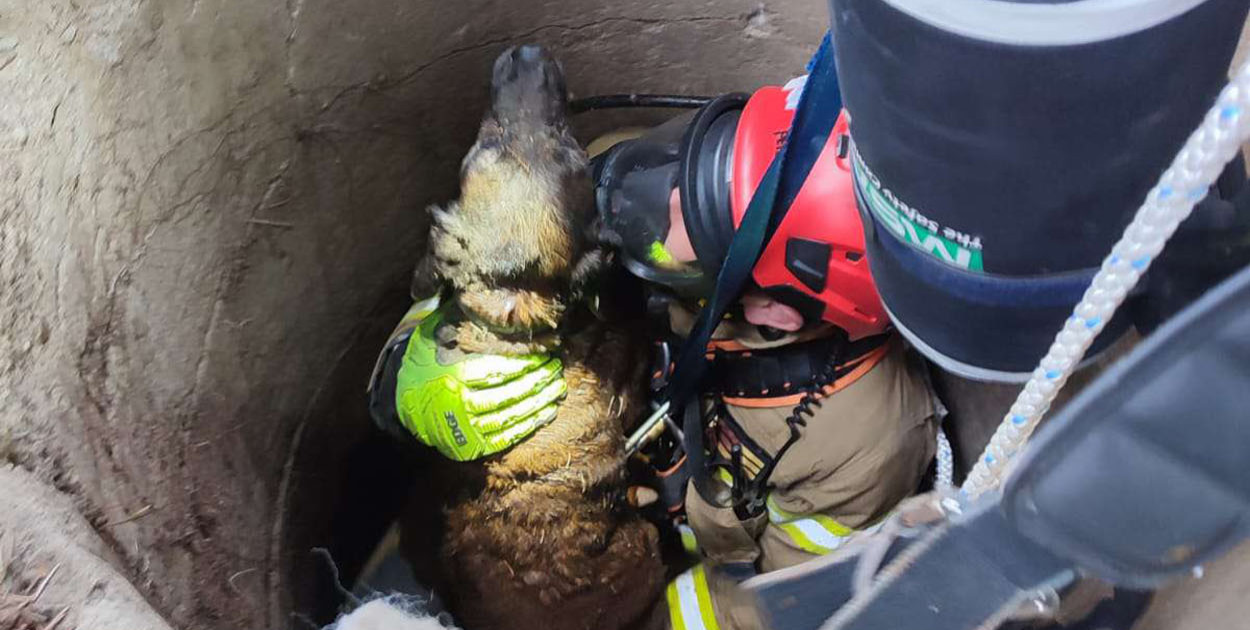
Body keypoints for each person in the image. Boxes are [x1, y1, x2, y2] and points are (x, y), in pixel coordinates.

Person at [591, 102, 944, 630]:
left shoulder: (866, 452)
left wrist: (636, 615)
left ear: (774, 313)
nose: (669, 200)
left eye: (701, 233)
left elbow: (777, 602)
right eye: (690, 165)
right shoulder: (729, 223)